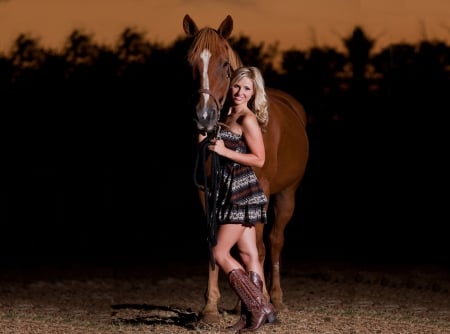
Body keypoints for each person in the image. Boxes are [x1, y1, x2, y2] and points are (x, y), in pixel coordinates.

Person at [198, 66, 277, 332]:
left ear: (254, 93)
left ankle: (258, 305)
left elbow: (259, 159)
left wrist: (224, 151)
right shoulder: (226, 114)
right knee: (247, 253)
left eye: (247, 89)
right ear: (230, 86)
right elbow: (210, 147)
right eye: (237, 86)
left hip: (241, 190)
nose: (240, 93)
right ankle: (250, 316)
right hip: (227, 189)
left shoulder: (247, 119)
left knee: (219, 252)